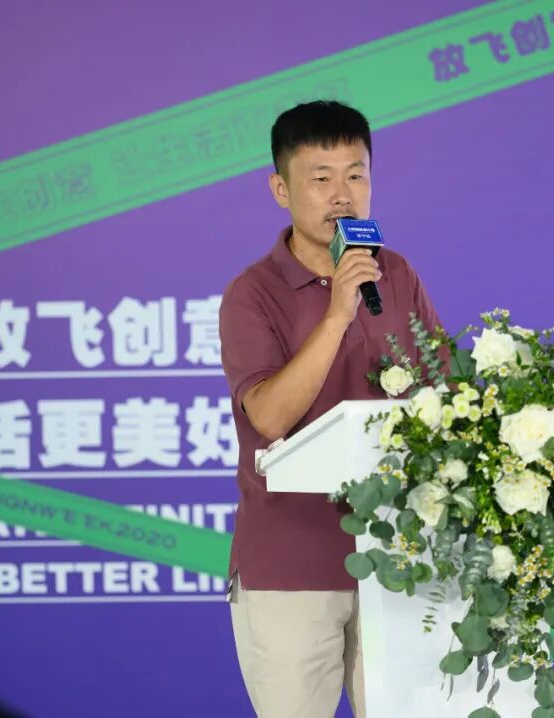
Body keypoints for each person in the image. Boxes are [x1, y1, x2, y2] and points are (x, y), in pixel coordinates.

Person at [218, 100, 442, 718]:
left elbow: (442, 394)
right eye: (321, 178)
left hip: (398, 559)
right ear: (281, 189)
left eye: (356, 174)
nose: (342, 194)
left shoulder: (395, 274)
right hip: (292, 563)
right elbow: (268, 417)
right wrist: (338, 312)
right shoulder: (252, 294)